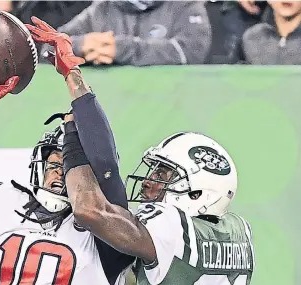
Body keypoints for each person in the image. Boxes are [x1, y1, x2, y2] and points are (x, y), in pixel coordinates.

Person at [26, 17, 255, 285]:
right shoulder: (239, 231)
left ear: (198, 192)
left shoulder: (171, 228)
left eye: (165, 174)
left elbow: (88, 210)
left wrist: (73, 139)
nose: (148, 181)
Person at [0, 18, 134, 284]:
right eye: (54, 165)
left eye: (69, 169)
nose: (60, 175)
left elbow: (104, 162)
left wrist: (72, 74)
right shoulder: (3, 206)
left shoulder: (107, 226)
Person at [54, 1, 211, 66]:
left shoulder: (185, 4)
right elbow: (48, 48)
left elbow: (191, 52)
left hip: (170, 109)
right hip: (112, 109)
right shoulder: (103, 8)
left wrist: (121, 49)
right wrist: (81, 46)